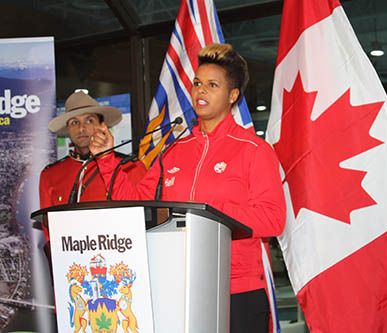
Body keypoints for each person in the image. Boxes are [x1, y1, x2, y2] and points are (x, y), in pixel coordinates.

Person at [90, 43, 286, 332]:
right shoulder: (173, 150)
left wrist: (209, 214)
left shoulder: (254, 150)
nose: (200, 91)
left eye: (212, 85)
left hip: (237, 292)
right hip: (177, 289)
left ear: (232, 95)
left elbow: (273, 219)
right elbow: (136, 201)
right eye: (197, 83)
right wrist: (106, 159)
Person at [39, 91, 145, 241]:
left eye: (89, 120)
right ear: (68, 129)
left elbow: (144, 221)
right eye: (74, 122)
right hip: (71, 259)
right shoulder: (50, 175)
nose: (81, 128)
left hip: (121, 257)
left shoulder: (130, 166)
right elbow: (49, 232)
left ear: (102, 126)